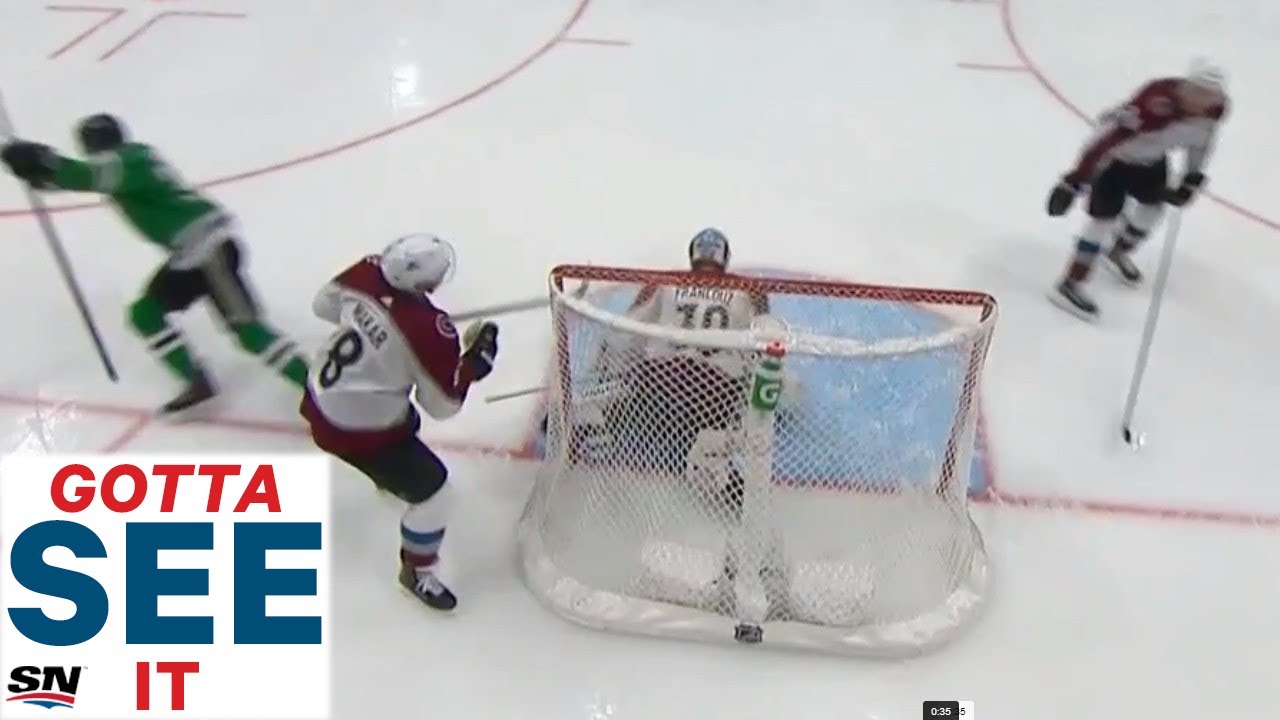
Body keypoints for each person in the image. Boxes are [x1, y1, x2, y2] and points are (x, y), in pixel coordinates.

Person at [0, 114, 308, 412]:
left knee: (248, 330)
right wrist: (30, 166)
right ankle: (197, 380)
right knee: (145, 314)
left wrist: (41, 160)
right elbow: (69, 179)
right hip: (193, 254)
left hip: (208, 249)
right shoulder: (133, 159)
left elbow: (84, 175)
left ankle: (314, 387)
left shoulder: (124, 161)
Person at [300, 234, 499, 611]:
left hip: (317, 397)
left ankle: (388, 481)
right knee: (436, 495)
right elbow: (442, 406)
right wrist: (473, 364)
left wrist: (373, 326)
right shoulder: (431, 332)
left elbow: (323, 305)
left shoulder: (366, 271)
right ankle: (417, 572)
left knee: (404, 420)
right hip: (358, 434)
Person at [582, 228, 771, 512]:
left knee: (601, 387)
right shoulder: (749, 290)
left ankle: (588, 424)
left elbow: (623, 334)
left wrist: (615, 372)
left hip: (659, 386)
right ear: (725, 258)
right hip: (713, 395)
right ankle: (718, 475)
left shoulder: (665, 282)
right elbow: (764, 342)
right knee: (751, 404)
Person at [1045, 60, 1229, 320]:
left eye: (1208, 95)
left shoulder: (1212, 113)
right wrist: (1073, 181)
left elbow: (1201, 144)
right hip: (1114, 161)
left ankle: (1116, 253)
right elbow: (1105, 140)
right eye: (1196, 91)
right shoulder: (1156, 104)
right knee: (1102, 222)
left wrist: (1191, 178)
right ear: (1184, 89)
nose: (1200, 101)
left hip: (1152, 162)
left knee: (1151, 212)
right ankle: (1070, 283)